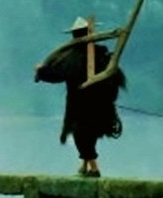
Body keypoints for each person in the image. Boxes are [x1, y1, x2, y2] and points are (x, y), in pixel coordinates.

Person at [36, 17, 126, 177]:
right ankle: (84, 165)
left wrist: (41, 72)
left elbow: (55, 74)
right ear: (90, 33)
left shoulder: (76, 57)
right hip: (94, 104)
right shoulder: (95, 54)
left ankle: (94, 167)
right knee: (87, 135)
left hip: (84, 105)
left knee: (81, 133)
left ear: (75, 36)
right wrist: (42, 71)